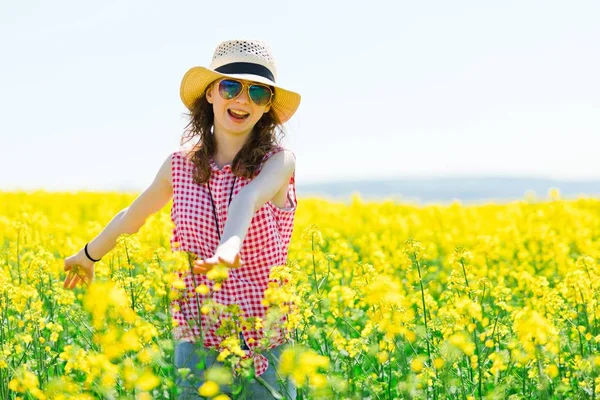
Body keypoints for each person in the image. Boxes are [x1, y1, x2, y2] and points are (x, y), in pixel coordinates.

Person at [63, 39, 301, 399]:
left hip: (263, 338)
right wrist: (88, 255)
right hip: (197, 335)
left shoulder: (279, 162)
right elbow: (134, 215)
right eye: (231, 86)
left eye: (258, 93)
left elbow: (248, 200)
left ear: (267, 106)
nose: (242, 100)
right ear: (210, 93)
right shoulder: (180, 165)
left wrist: (228, 249)